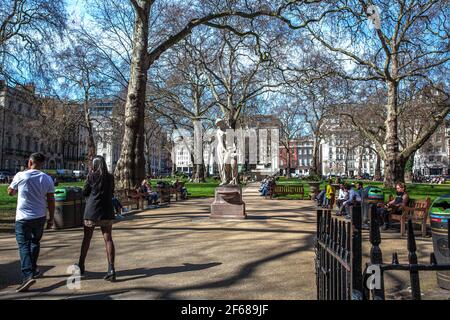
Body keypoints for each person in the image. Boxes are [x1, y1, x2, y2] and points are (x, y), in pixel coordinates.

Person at [7, 153, 55, 292]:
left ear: (29, 162)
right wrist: (51, 218)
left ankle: (27, 276)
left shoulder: (20, 176)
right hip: (39, 216)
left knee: (24, 246)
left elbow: (10, 192)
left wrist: (13, 189)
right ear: (42, 164)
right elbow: (51, 201)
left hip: (22, 217)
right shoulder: (47, 179)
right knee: (35, 242)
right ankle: (33, 269)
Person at [76, 155, 116, 281]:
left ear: (94, 165)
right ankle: (111, 268)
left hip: (92, 211)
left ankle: (81, 264)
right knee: (108, 239)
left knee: (87, 238)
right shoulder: (110, 177)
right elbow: (112, 192)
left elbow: (85, 192)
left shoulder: (91, 176)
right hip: (106, 211)